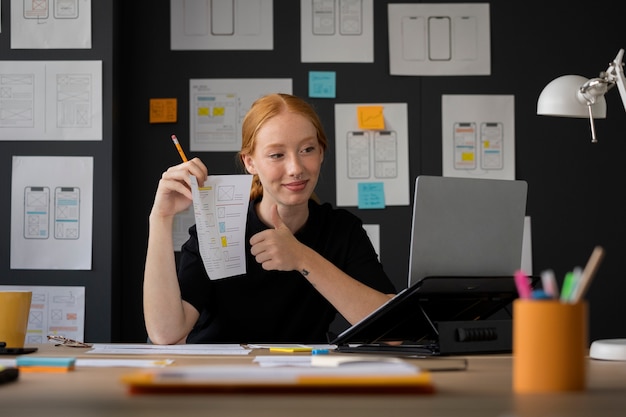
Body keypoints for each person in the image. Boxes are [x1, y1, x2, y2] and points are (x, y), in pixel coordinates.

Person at [144, 93, 396, 345]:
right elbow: (166, 334)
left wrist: (301, 257)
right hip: (221, 377)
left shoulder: (342, 230)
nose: (296, 168)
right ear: (250, 162)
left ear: (321, 152)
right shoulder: (217, 227)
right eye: (277, 155)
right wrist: (161, 217)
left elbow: (393, 332)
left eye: (307, 149)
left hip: (303, 378)